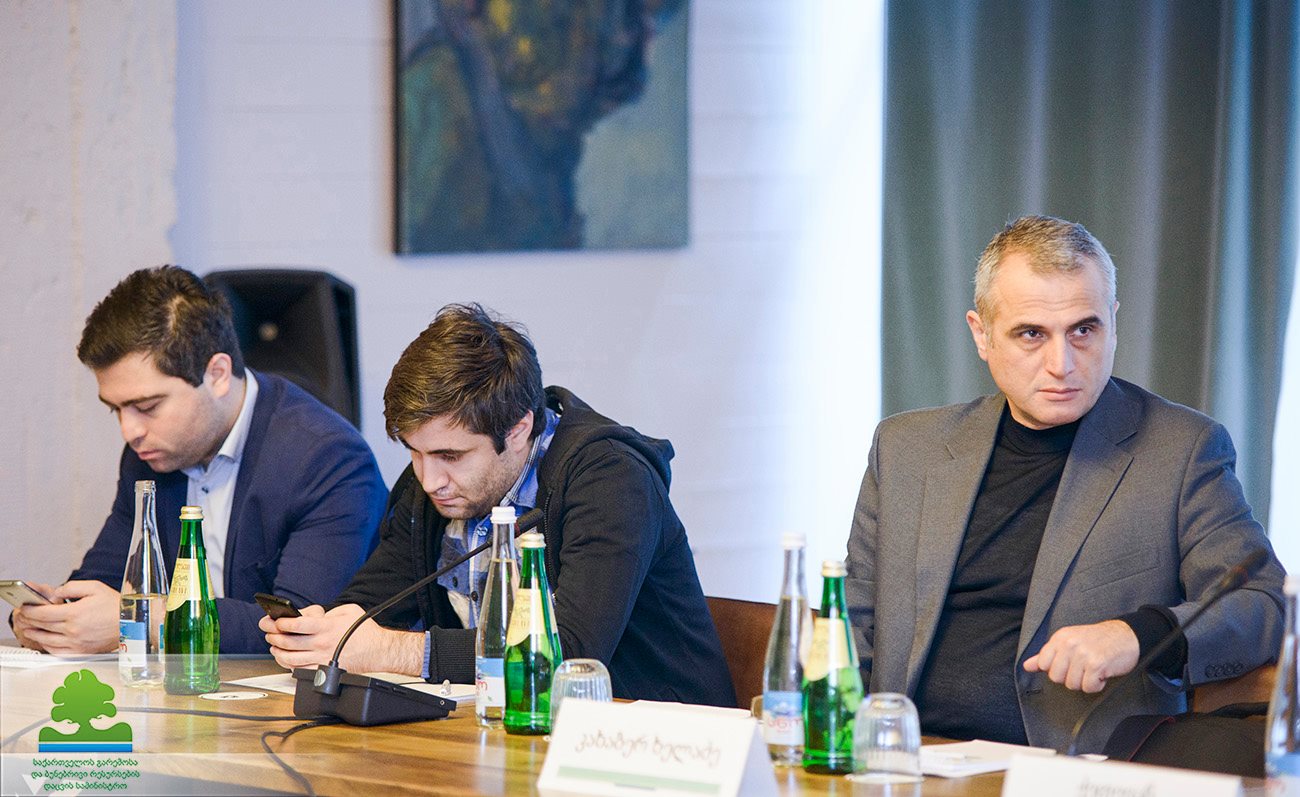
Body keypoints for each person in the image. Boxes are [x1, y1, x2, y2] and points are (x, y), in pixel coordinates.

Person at [845, 215, 1285, 753]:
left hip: (1070, 764)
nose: (1062, 364)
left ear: (1112, 323)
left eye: (1083, 330)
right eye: (1032, 334)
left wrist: (1139, 634)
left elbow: (1263, 603)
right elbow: (851, 625)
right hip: (900, 759)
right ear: (982, 334)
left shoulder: (1181, 451)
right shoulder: (905, 448)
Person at [262, 303, 736, 707]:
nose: (428, 479)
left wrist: (391, 651)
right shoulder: (433, 486)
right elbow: (373, 604)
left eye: (450, 456)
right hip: (497, 734)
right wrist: (322, 634)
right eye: (414, 452)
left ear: (518, 429)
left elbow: (569, 654)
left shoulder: (611, 478)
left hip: (655, 739)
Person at [10, 266, 387, 655]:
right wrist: (53, 618)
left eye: (147, 406)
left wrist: (143, 619)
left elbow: (302, 628)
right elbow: (104, 578)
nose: (129, 430)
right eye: (115, 409)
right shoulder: (148, 455)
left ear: (218, 374)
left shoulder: (327, 458)